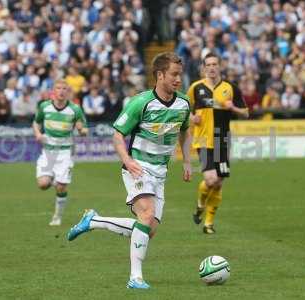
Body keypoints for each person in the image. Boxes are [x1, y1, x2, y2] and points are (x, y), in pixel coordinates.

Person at [66, 52, 192, 289]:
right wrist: (127, 159)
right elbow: (117, 135)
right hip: (137, 167)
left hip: (160, 172)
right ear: (160, 75)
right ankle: (135, 277)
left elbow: (185, 130)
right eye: (174, 75)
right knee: (145, 215)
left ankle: (93, 220)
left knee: (148, 229)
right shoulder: (140, 102)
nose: (178, 79)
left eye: (180, 75)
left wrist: (186, 160)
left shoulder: (184, 104)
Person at [187, 52, 249, 234]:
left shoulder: (230, 88)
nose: (212, 67)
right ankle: (200, 204)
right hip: (203, 139)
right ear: (204, 68)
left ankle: (208, 223)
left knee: (219, 182)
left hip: (222, 140)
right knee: (210, 179)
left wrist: (233, 108)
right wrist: (192, 117)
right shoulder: (195, 88)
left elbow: (245, 113)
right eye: (209, 65)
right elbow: (182, 108)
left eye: (215, 64)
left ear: (219, 66)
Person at [33, 79, 88, 226]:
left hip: (65, 153)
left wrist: (82, 130)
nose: (62, 91)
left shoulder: (75, 109)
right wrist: (38, 134)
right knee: (43, 184)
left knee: (61, 186)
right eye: (58, 88)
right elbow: (36, 122)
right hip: (48, 152)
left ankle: (57, 216)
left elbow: (84, 128)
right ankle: (54, 180)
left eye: (65, 89)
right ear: (53, 91)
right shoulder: (44, 107)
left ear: (68, 92)